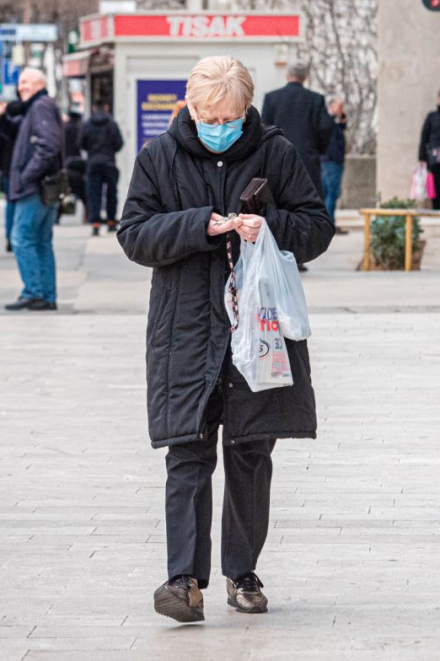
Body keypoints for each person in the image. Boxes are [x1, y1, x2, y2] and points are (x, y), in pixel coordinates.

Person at [118, 56, 334, 624]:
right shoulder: (158, 157)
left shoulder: (275, 151)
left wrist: (274, 227)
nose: (222, 126)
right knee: (186, 450)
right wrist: (199, 225)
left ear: (247, 111)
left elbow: (316, 227)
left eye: (232, 117)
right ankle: (182, 581)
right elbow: (134, 234)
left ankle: (244, 574)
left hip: (257, 328)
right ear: (190, 108)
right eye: (211, 116)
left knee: (250, 450)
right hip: (185, 329)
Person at [0, 68, 62, 312]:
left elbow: (48, 146)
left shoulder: (40, 106)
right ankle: (46, 295)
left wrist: (27, 176)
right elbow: (17, 133)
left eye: (26, 82)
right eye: (20, 82)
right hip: (43, 187)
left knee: (21, 239)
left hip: (35, 188)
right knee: (41, 241)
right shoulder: (36, 107)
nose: (21, 86)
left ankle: (34, 292)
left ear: (41, 83)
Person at [261, 61, 333, 200]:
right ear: (305, 77)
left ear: (287, 75)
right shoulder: (316, 99)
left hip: (277, 159)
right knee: (310, 202)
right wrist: (317, 150)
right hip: (308, 159)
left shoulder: (271, 98)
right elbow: (326, 127)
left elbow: (264, 128)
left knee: (280, 201)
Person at [79, 100, 124, 235]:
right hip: (109, 162)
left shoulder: (87, 124)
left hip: (93, 162)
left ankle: (96, 224)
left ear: (93, 108)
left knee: (94, 194)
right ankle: (111, 222)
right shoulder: (112, 123)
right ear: (106, 107)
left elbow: (81, 143)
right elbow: (119, 143)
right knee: (111, 193)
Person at [0, 100, 25, 253]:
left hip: (7, 171)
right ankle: (19, 236)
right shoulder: (24, 127)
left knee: (11, 205)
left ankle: (10, 237)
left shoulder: (3, 129)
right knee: (22, 204)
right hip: (22, 171)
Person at [320, 98, 348, 233]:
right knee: (331, 192)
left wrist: (341, 113)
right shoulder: (326, 119)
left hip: (332, 160)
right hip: (330, 161)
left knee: (329, 193)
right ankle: (329, 224)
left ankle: (328, 223)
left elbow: (343, 125)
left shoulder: (333, 121)